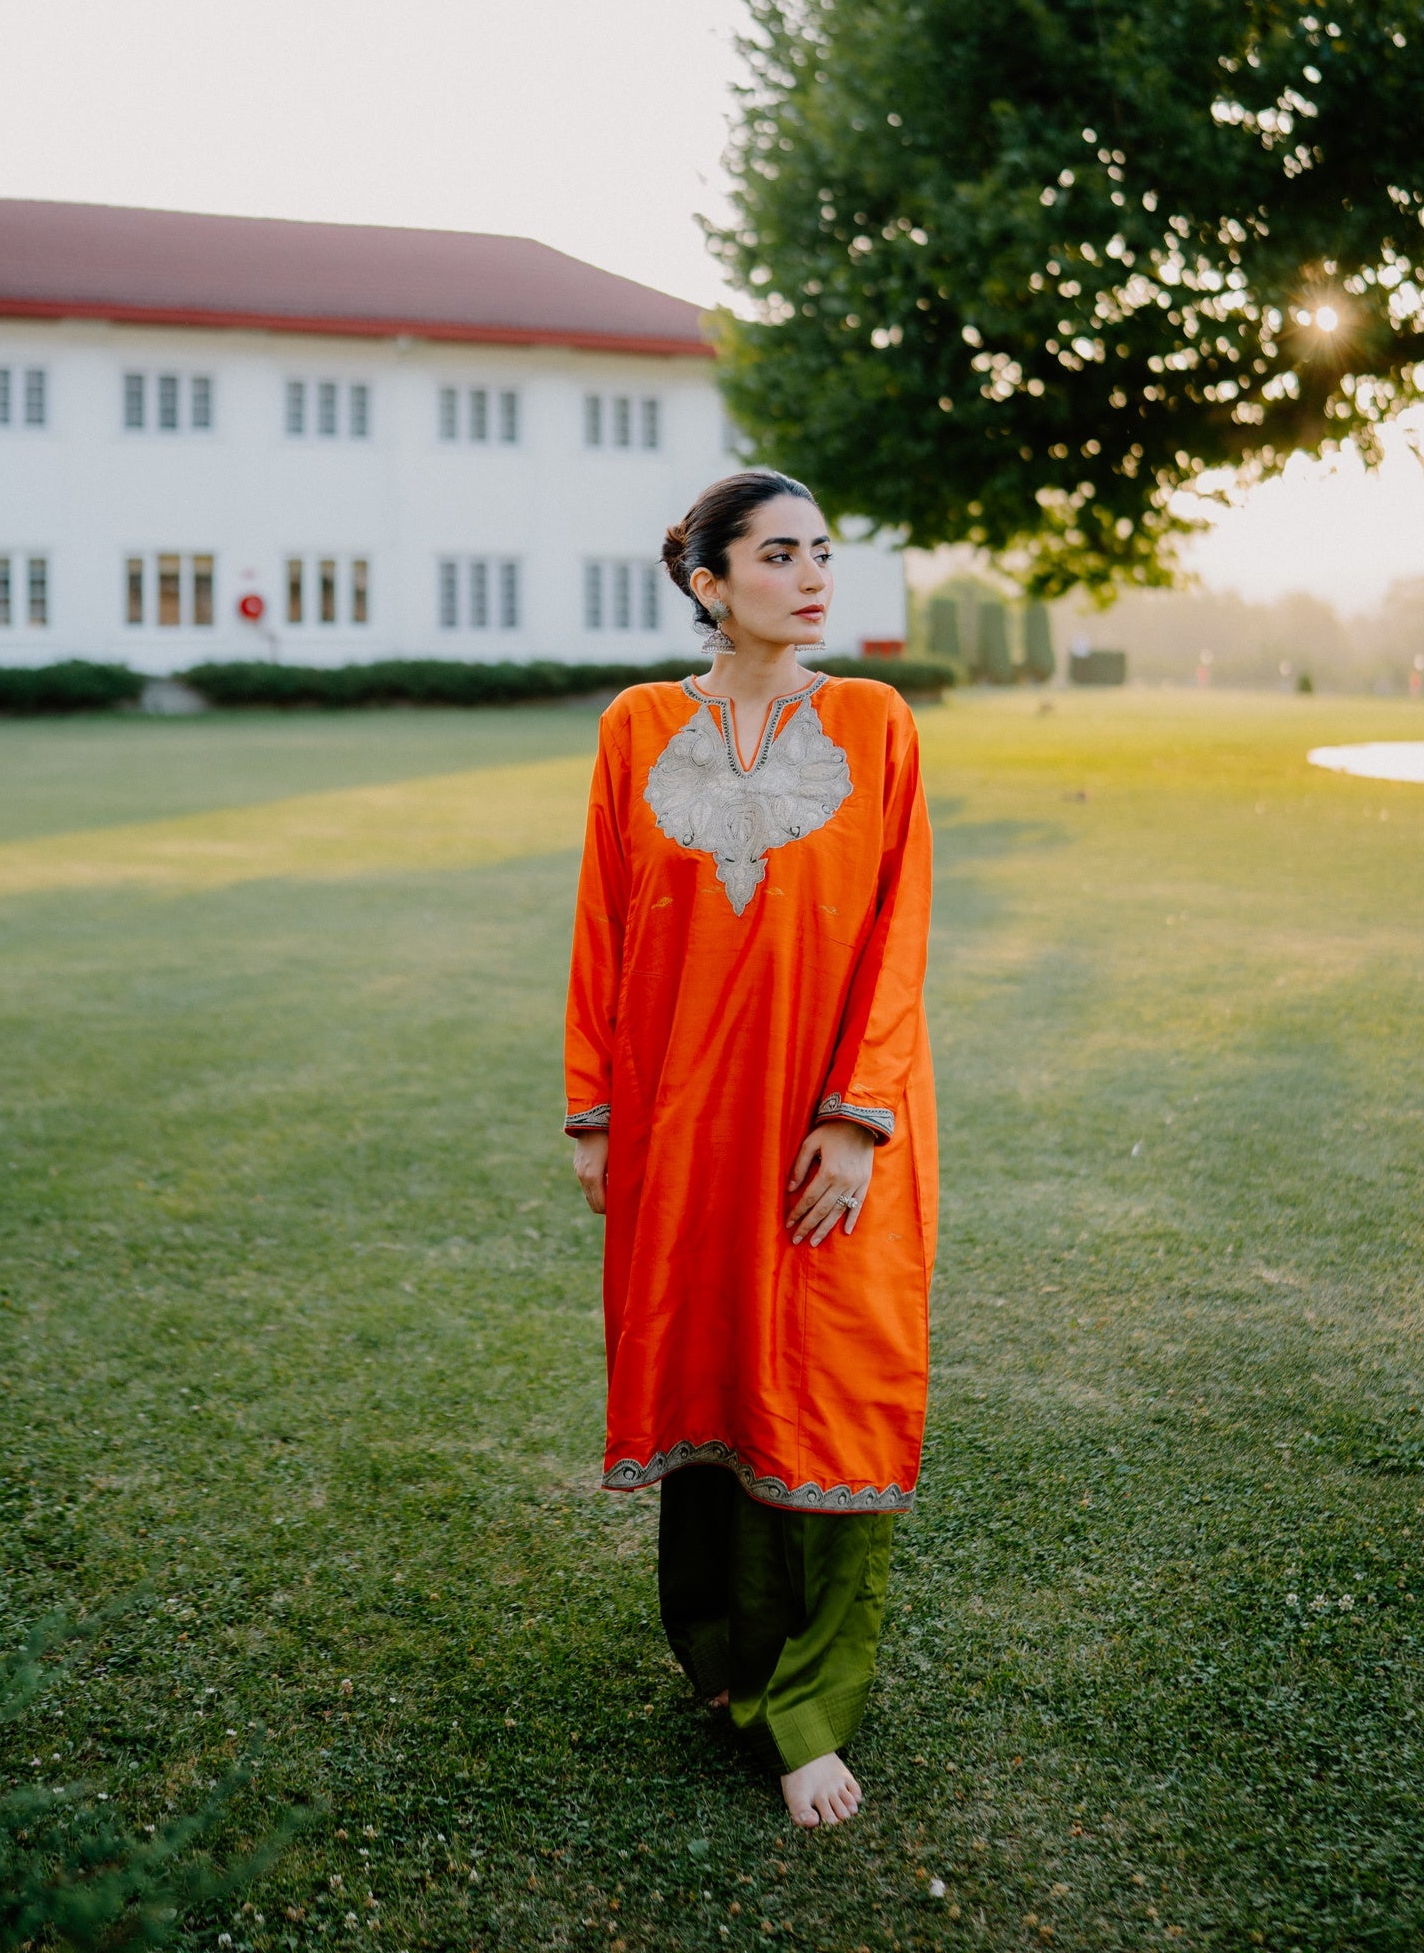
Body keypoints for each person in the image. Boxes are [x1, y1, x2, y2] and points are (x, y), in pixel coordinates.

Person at [562, 469, 937, 1829]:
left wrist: (856, 1113)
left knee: (833, 1375)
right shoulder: (637, 726)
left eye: (821, 551)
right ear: (709, 582)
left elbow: (898, 928)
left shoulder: (876, 722)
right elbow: (605, 924)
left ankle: (810, 1706)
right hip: (682, 1117)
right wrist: (596, 1111)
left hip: (827, 1116)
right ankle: (722, 1654)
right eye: (779, 555)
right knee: (707, 1358)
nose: (813, 575)